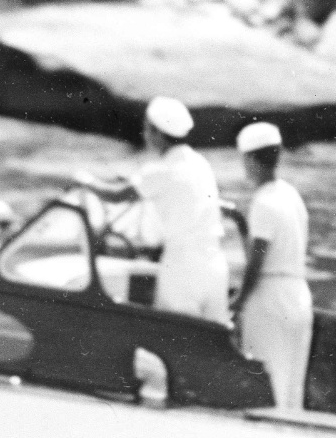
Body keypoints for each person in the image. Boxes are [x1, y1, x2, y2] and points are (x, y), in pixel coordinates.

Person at [86, 96, 229, 323]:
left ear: (157, 134)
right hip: (216, 265)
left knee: (177, 335)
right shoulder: (201, 164)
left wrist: (86, 181)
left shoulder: (160, 170)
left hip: (183, 266)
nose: (144, 135)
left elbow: (116, 196)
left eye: (147, 129)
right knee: (214, 337)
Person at [231, 122, 313, 411]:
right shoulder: (291, 195)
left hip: (271, 297)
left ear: (250, 159)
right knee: (292, 387)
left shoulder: (263, 202)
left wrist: (239, 301)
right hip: (298, 294)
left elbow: (257, 261)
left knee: (267, 381)